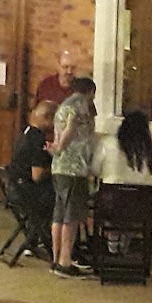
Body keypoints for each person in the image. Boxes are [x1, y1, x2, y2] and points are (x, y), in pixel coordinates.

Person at [47, 76, 98, 278]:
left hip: (59, 167)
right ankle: (65, 262)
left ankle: (55, 258)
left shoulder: (62, 106)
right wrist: (61, 146)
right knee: (72, 217)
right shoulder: (79, 105)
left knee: (59, 214)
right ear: (90, 91)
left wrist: (57, 149)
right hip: (74, 168)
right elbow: (70, 128)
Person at [8, 100, 56, 257]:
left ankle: (33, 238)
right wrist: (55, 169)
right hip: (27, 194)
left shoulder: (25, 133)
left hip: (14, 189)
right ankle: (48, 240)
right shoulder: (38, 140)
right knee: (62, 198)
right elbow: (37, 175)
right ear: (47, 118)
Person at [91, 110, 152, 186]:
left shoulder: (106, 143)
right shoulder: (148, 149)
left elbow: (94, 169)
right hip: (141, 192)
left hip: (111, 191)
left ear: (123, 126)